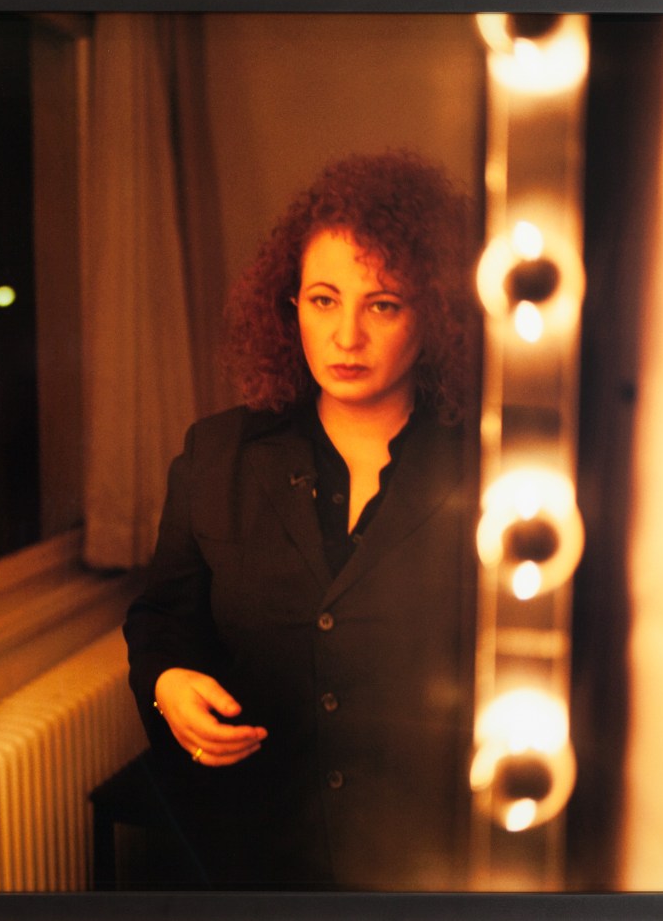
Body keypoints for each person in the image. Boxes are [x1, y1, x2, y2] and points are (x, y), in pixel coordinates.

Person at [123, 150, 482, 890]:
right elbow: (161, 617)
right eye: (323, 299)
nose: (346, 335)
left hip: (433, 857)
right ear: (289, 306)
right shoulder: (217, 452)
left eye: (382, 303)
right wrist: (168, 681)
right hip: (251, 851)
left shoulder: (497, 471)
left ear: (437, 315)